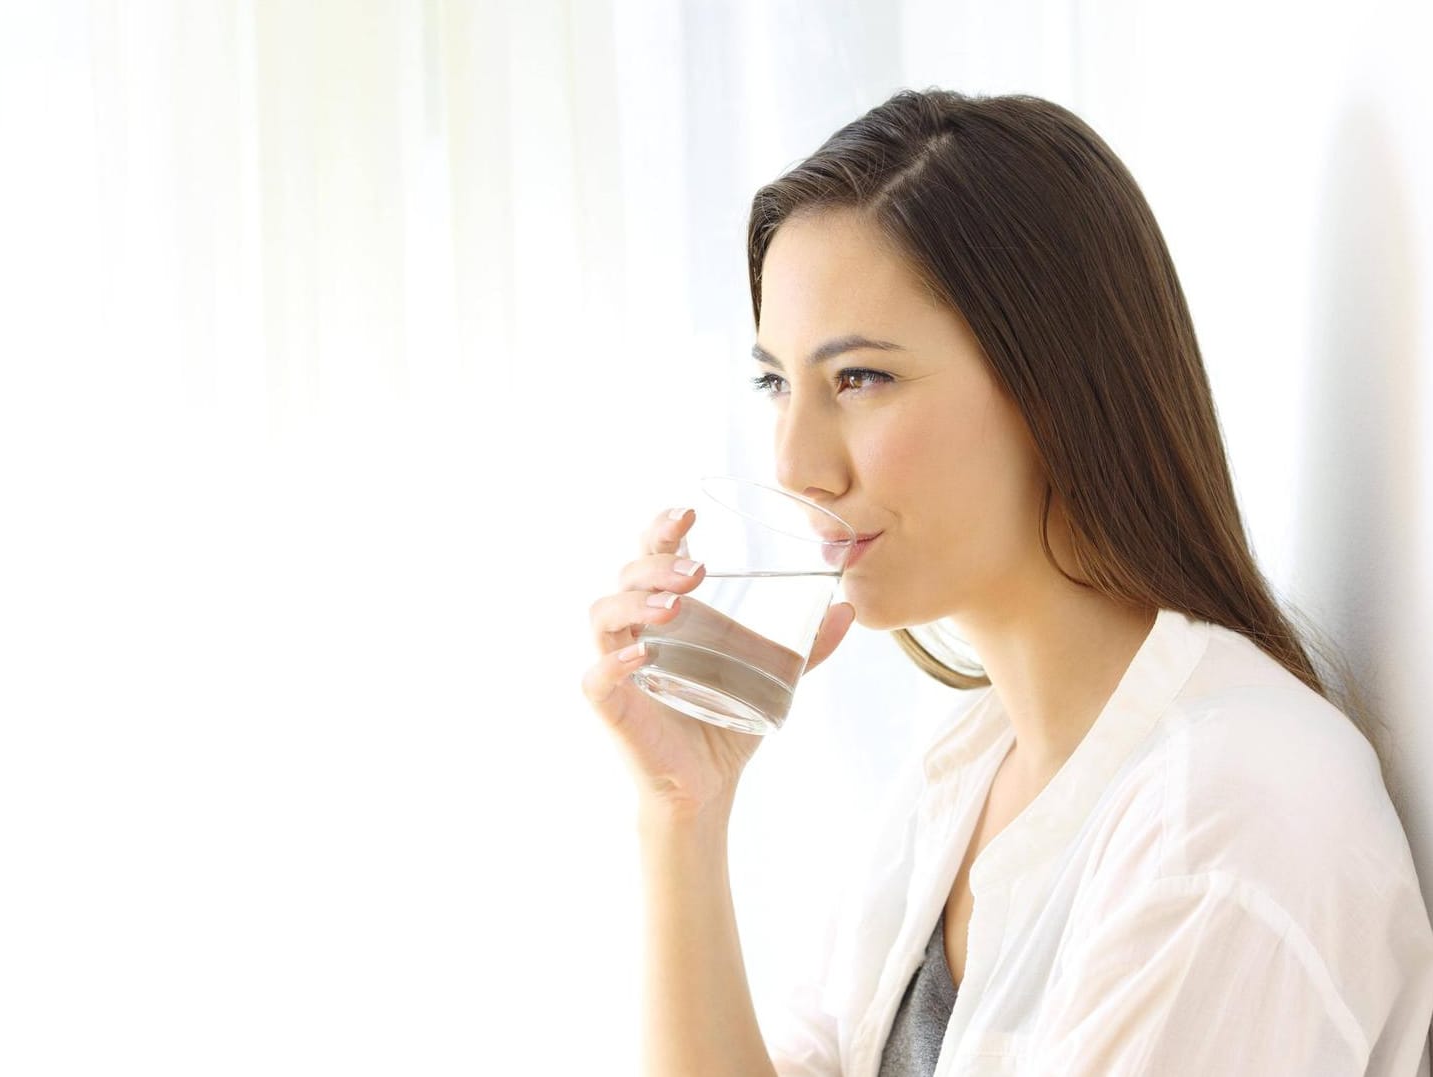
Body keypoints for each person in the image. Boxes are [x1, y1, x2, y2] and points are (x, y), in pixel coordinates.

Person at [579, 88, 1433, 1076]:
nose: (796, 463)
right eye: (777, 382)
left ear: (1051, 388)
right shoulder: (966, 775)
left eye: (858, 378)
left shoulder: (1226, 820)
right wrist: (681, 810)